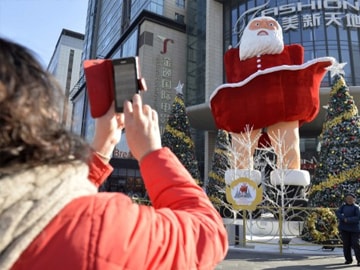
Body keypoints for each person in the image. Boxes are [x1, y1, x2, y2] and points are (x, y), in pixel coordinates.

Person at [0, 38, 228, 270]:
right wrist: (152, 153)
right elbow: (207, 233)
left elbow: (47, 201)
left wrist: (103, 145)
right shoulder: (97, 226)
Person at [210, 16, 334, 193]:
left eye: (270, 25)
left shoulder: (291, 52)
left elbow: (297, 78)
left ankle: (290, 191)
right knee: (242, 147)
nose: (264, 27)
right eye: (257, 25)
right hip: (245, 106)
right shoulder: (234, 57)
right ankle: (243, 190)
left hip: (282, 105)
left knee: (287, 143)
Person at [336, 193, 360, 266]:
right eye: (348, 198)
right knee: (346, 245)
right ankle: (348, 259)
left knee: (356, 244)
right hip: (345, 228)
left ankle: (359, 260)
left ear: (354, 199)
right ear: (346, 199)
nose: (349, 200)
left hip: (354, 229)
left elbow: (358, 217)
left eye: (351, 198)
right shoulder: (343, 206)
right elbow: (338, 212)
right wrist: (343, 219)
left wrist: (348, 220)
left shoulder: (357, 207)